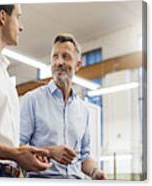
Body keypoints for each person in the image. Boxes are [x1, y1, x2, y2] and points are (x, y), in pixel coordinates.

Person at [20, 33, 107, 179]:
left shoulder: (83, 110)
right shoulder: (32, 100)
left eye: (66, 56)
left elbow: (84, 157)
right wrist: (50, 152)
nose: (59, 62)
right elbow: (17, 149)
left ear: (78, 64)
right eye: (55, 56)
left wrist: (95, 172)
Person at [0, 4, 52, 178]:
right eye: (18, 17)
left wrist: (20, 152)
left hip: (9, 173)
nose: (21, 26)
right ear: (3, 17)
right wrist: (14, 153)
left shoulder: (2, 70)